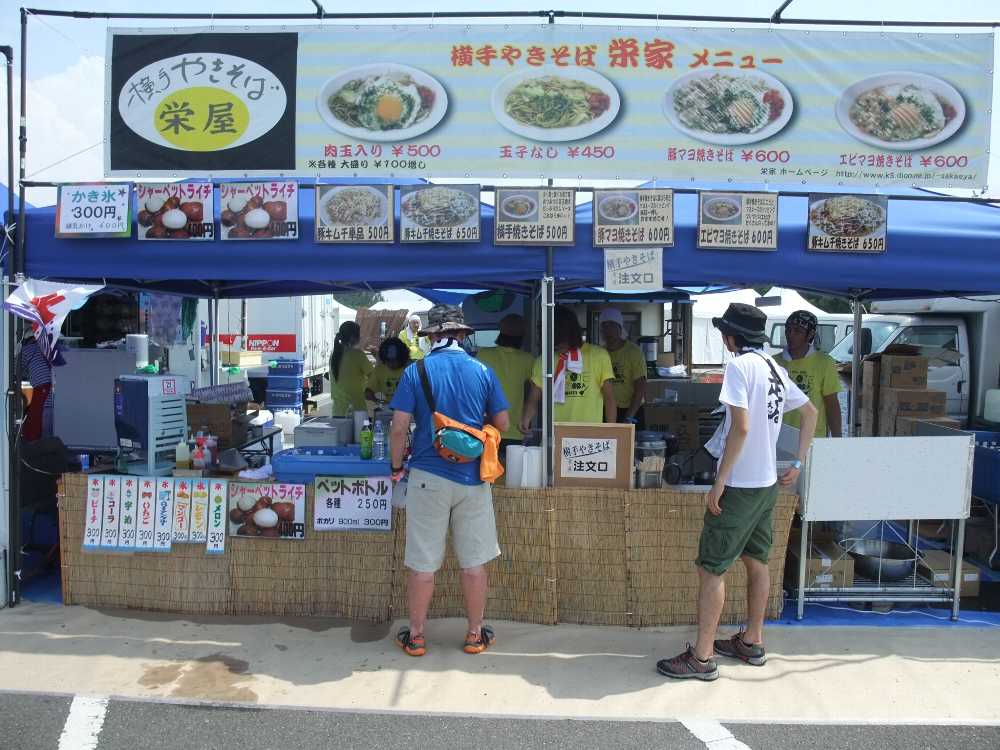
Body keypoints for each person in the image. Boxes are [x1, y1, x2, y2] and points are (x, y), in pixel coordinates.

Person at [657, 303, 817, 682]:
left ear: (731, 337)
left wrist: (720, 480)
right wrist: (798, 462)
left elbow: (740, 427)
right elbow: (810, 412)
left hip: (741, 486)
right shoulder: (774, 367)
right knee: (757, 561)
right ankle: (752, 641)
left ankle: (702, 657)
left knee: (711, 568)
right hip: (766, 485)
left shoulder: (739, 367)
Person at [388, 304, 510, 658]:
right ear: (461, 334)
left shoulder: (415, 371)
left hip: (427, 477)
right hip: (473, 477)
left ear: (432, 336)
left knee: (423, 563)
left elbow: (398, 428)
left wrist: (396, 467)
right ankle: (474, 634)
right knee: (474, 563)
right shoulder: (482, 371)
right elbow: (503, 423)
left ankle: (416, 636)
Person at [520, 305, 616, 431]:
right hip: (556, 433)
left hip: (590, 434)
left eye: (561, 342)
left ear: (571, 334)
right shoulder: (544, 360)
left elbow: (609, 398)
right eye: (554, 343)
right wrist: (526, 418)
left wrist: (611, 430)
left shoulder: (599, 355)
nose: (558, 347)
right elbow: (533, 398)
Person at [775, 310, 843, 438]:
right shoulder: (773, 362)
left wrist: (837, 439)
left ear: (810, 334)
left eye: (797, 331)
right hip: (779, 438)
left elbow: (832, 405)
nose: (790, 335)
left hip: (813, 438)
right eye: (788, 330)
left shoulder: (825, 362)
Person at [475, 314, 534, 448]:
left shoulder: (483, 354)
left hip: (487, 428)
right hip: (516, 429)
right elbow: (533, 392)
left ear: (500, 332)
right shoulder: (528, 359)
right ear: (522, 336)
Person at [599, 308, 647, 425]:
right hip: (606, 409)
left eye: (612, 325)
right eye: (604, 326)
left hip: (632, 410)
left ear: (620, 328)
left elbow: (640, 388)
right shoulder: (599, 353)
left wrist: (629, 417)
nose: (608, 330)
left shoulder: (634, 352)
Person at [328, 320, 373, 417]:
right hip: (357, 411)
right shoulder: (358, 355)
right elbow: (374, 377)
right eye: (359, 334)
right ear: (353, 337)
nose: (360, 337)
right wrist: (378, 356)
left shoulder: (334, 355)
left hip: (337, 412)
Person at [364, 336, 411, 408]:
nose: (391, 363)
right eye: (388, 361)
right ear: (384, 359)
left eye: (394, 361)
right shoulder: (379, 370)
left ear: (402, 359)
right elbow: (367, 392)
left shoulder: (410, 370)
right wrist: (378, 401)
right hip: (387, 408)